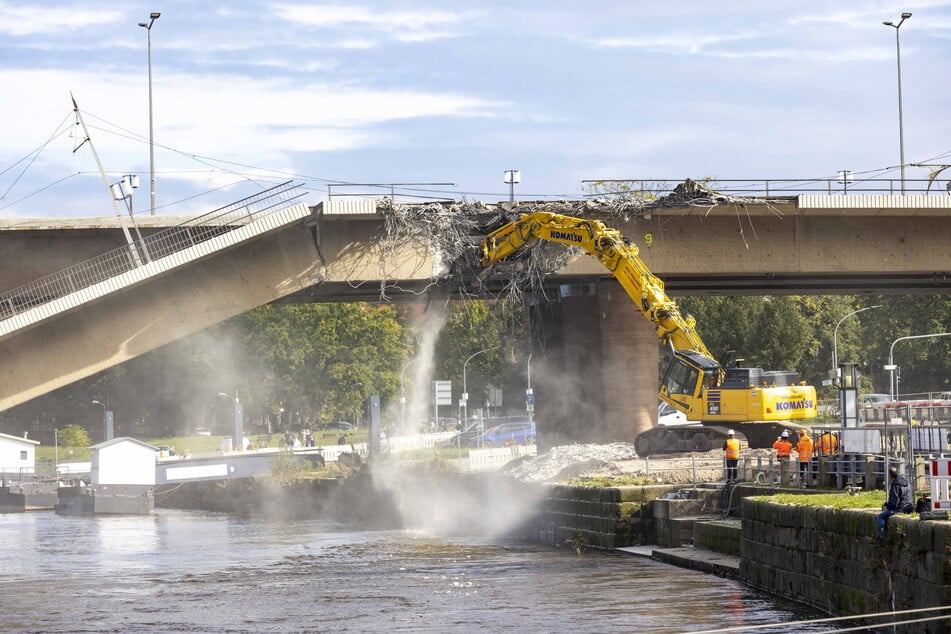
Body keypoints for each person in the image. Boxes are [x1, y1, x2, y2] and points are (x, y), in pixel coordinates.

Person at [878, 465, 913, 539]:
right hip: (909, 506)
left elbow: (894, 502)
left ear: (890, 475)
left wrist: (887, 506)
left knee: (881, 516)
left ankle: (881, 536)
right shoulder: (907, 482)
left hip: (900, 509)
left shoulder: (895, 484)